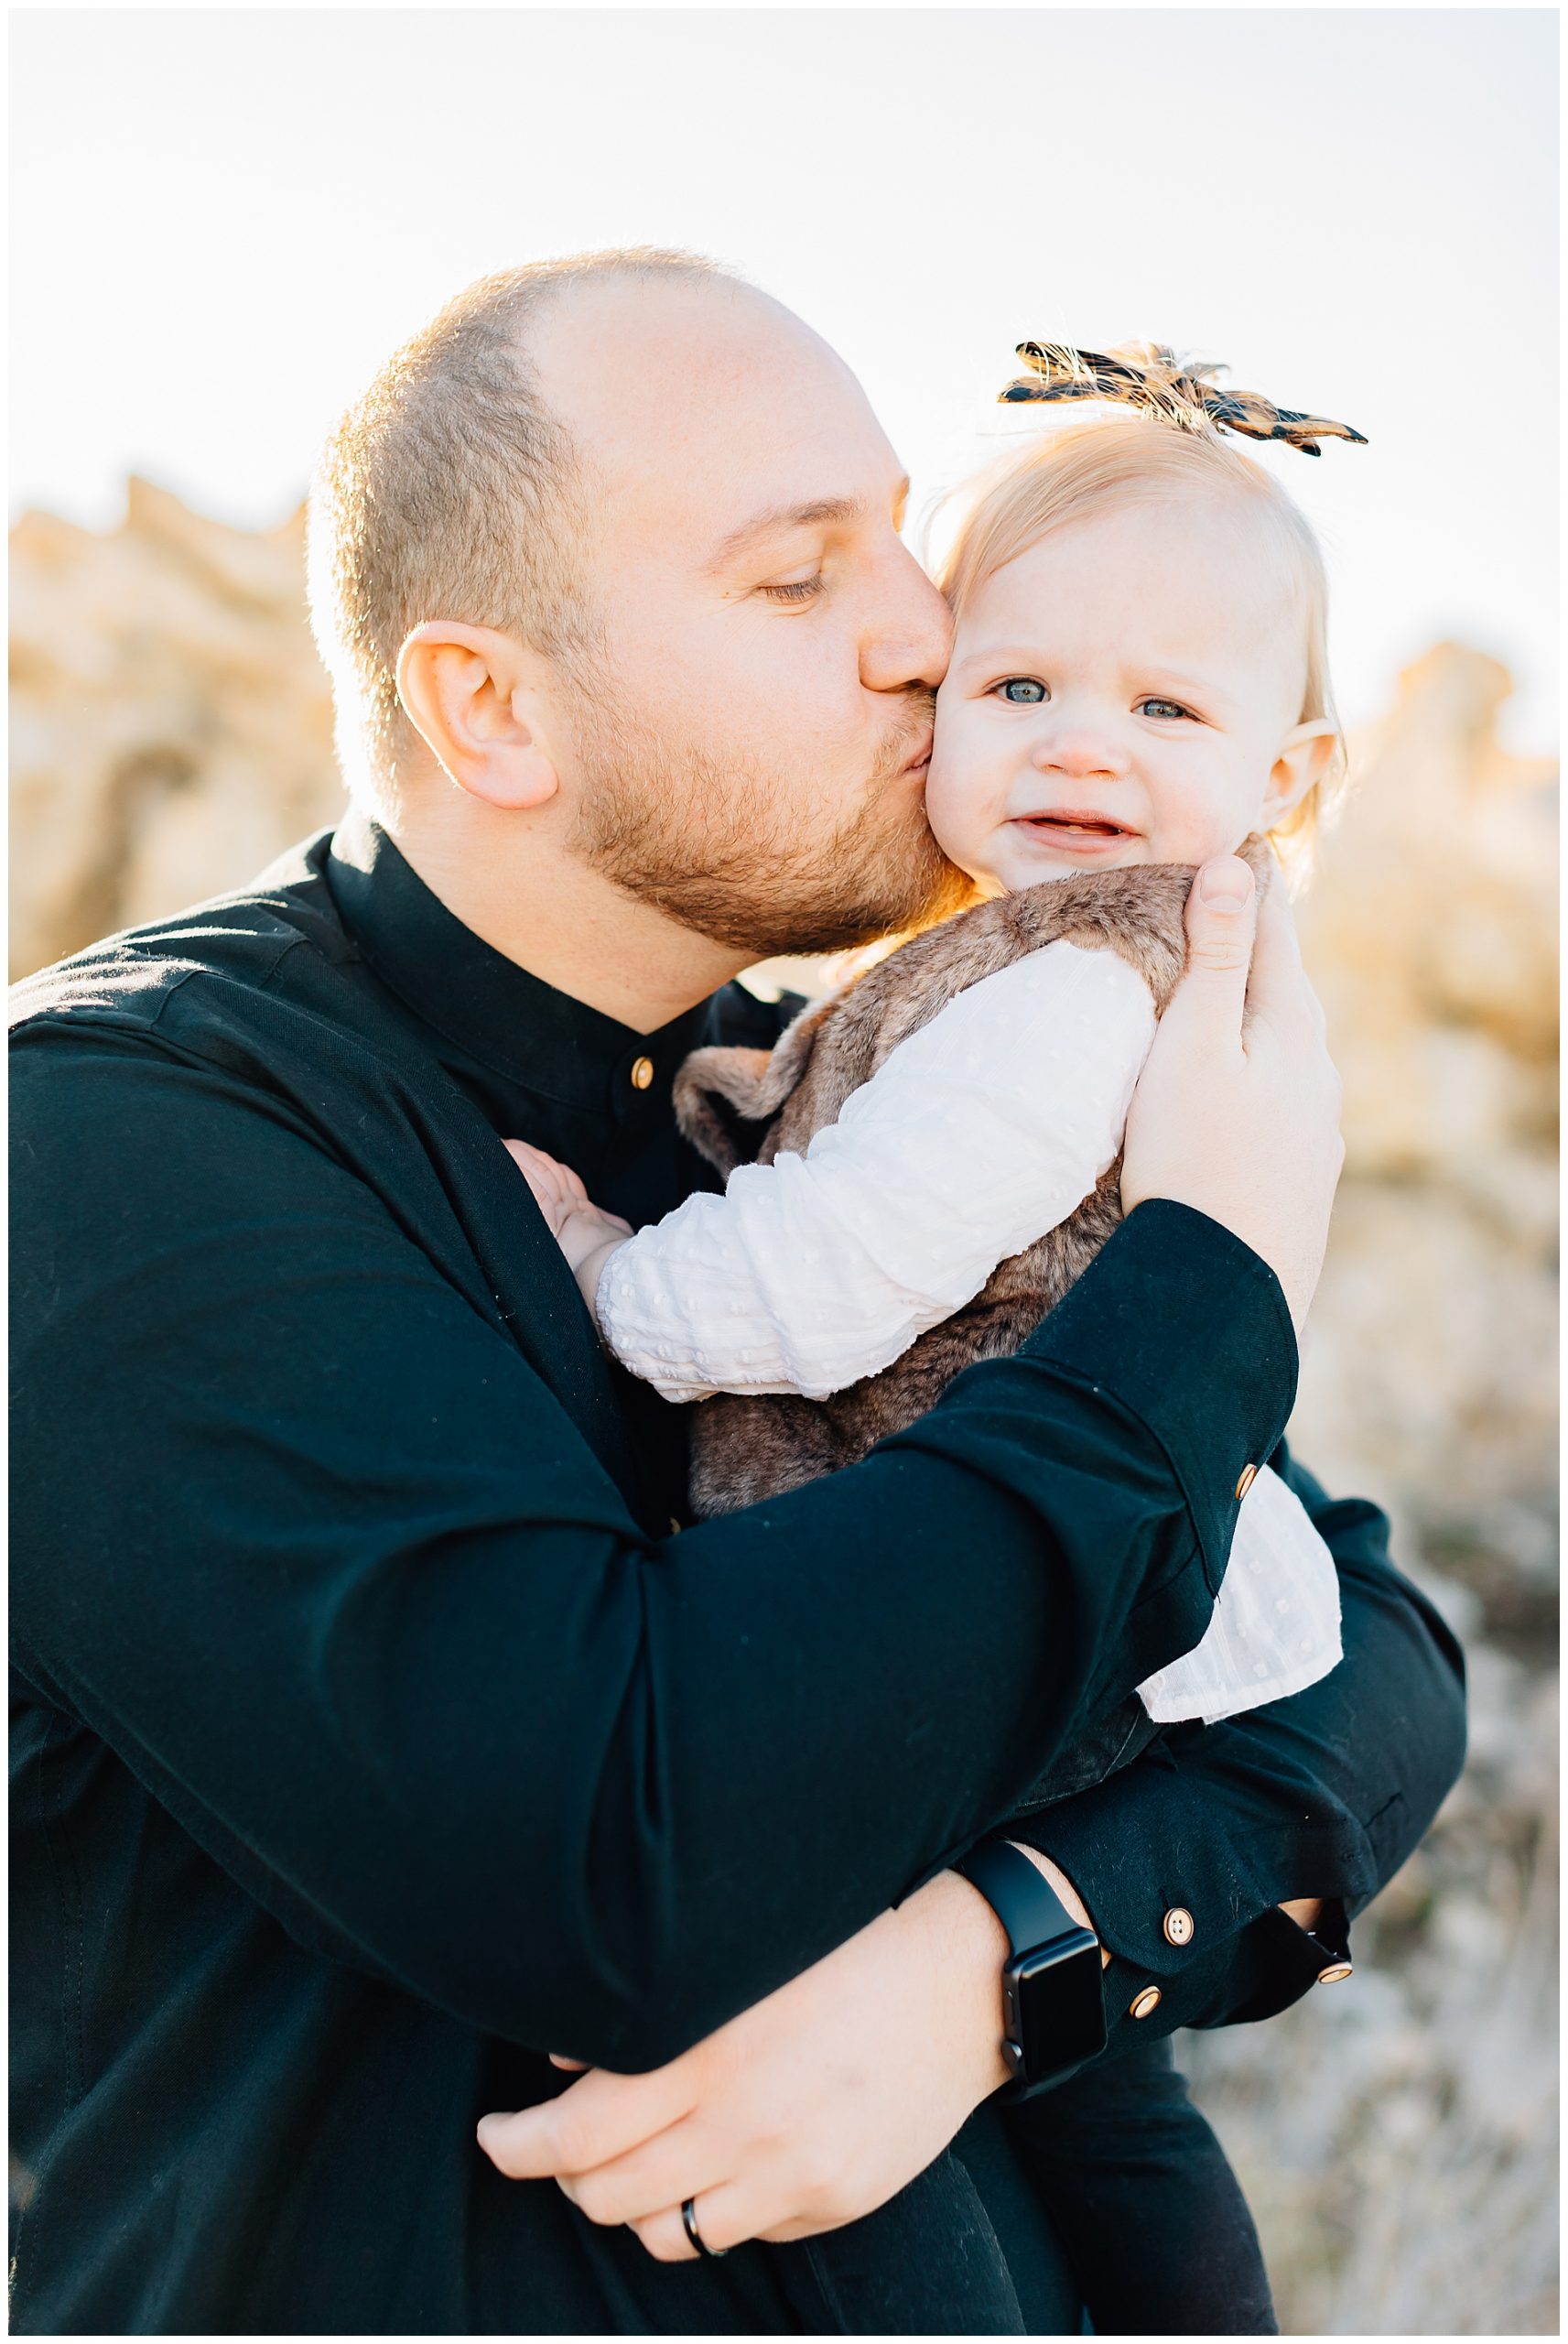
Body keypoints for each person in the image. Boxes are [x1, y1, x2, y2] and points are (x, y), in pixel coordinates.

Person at [9, 252, 1465, 2336]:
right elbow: (607, 1851)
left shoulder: (819, 1082)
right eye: (801, 582)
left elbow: (1366, 1645)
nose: (918, 632)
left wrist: (997, 1955)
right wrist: (1210, 1269)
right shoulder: (118, 1142)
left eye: (896, 538)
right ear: (489, 706)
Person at [490, 386, 1369, 2331]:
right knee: (1095, 2097)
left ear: (1286, 772)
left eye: (1164, 710)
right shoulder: (1025, 955)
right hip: (1123, 1590)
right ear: (929, 705)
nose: (1079, 744)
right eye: (1018, 683)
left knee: (817, 1996)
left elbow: (828, 1276)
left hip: (1038, 1602)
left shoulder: (1067, 983)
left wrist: (591, 1264)